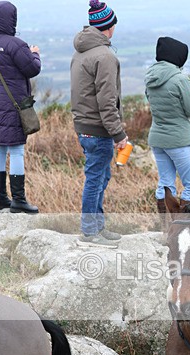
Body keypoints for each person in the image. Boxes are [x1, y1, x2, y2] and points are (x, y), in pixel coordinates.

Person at [71, 0, 127, 249]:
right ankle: (89, 232)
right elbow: (107, 101)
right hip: (98, 128)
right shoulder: (104, 56)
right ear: (109, 26)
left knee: (100, 176)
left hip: (85, 125)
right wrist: (119, 134)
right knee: (95, 179)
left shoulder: (82, 51)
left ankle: (99, 226)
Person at [0, 0, 41, 214]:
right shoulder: (17, 45)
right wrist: (35, 54)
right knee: (16, 150)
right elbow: (32, 69)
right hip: (13, 104)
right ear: (12, 19)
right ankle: (19, 200)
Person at [146, 36, 190, 217]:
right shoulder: (180, 79)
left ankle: (166, 229)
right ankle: (185, 227)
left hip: (157, 138)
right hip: (179, 140)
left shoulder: (150, 77)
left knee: (165, 184)